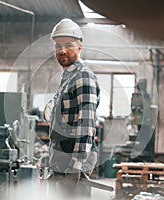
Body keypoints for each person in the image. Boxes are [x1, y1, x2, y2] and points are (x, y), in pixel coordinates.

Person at [45, 18, 100, 199]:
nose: (62, 51)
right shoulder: (68, 77)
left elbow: (86, 125)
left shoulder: (83, 77)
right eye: (57, 46)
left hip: (71, 163)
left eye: (68, 45)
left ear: (79, 47)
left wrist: (75, 168)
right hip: (61, 160)